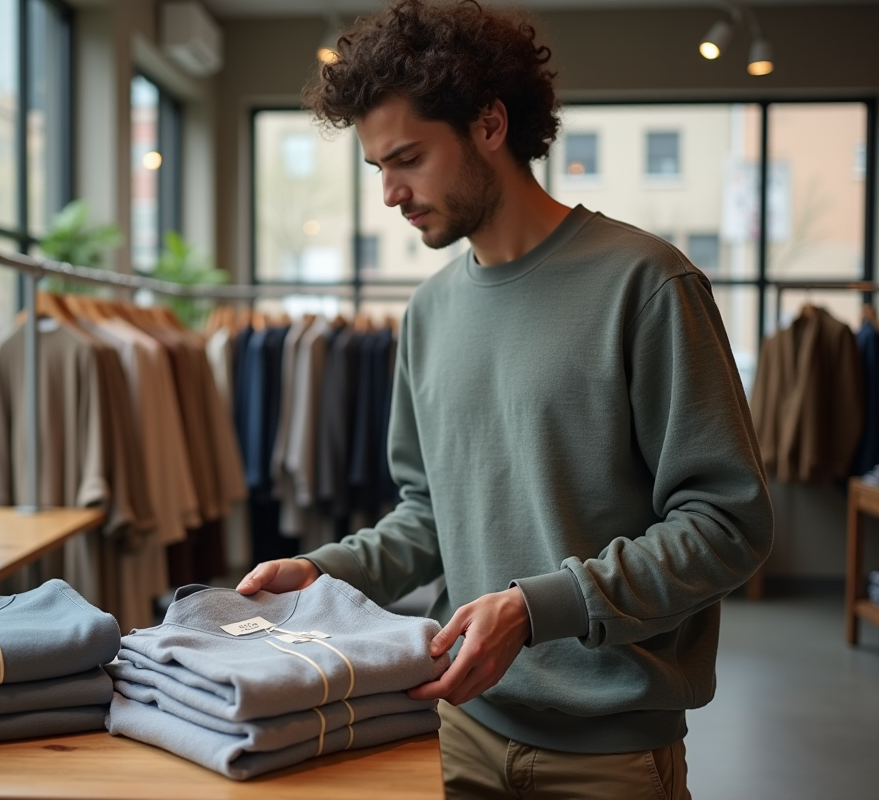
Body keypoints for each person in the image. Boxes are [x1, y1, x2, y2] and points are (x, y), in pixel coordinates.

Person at [235, 1, 774, 797]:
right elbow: (429, 513)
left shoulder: (646, 284)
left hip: (607, 753)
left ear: (490, 123)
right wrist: (326, 572)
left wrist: (536, 608)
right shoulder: (429, 313)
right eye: (377, 167)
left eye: (408, 158)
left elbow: (728, 525)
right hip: (454, 727)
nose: (389, 193)